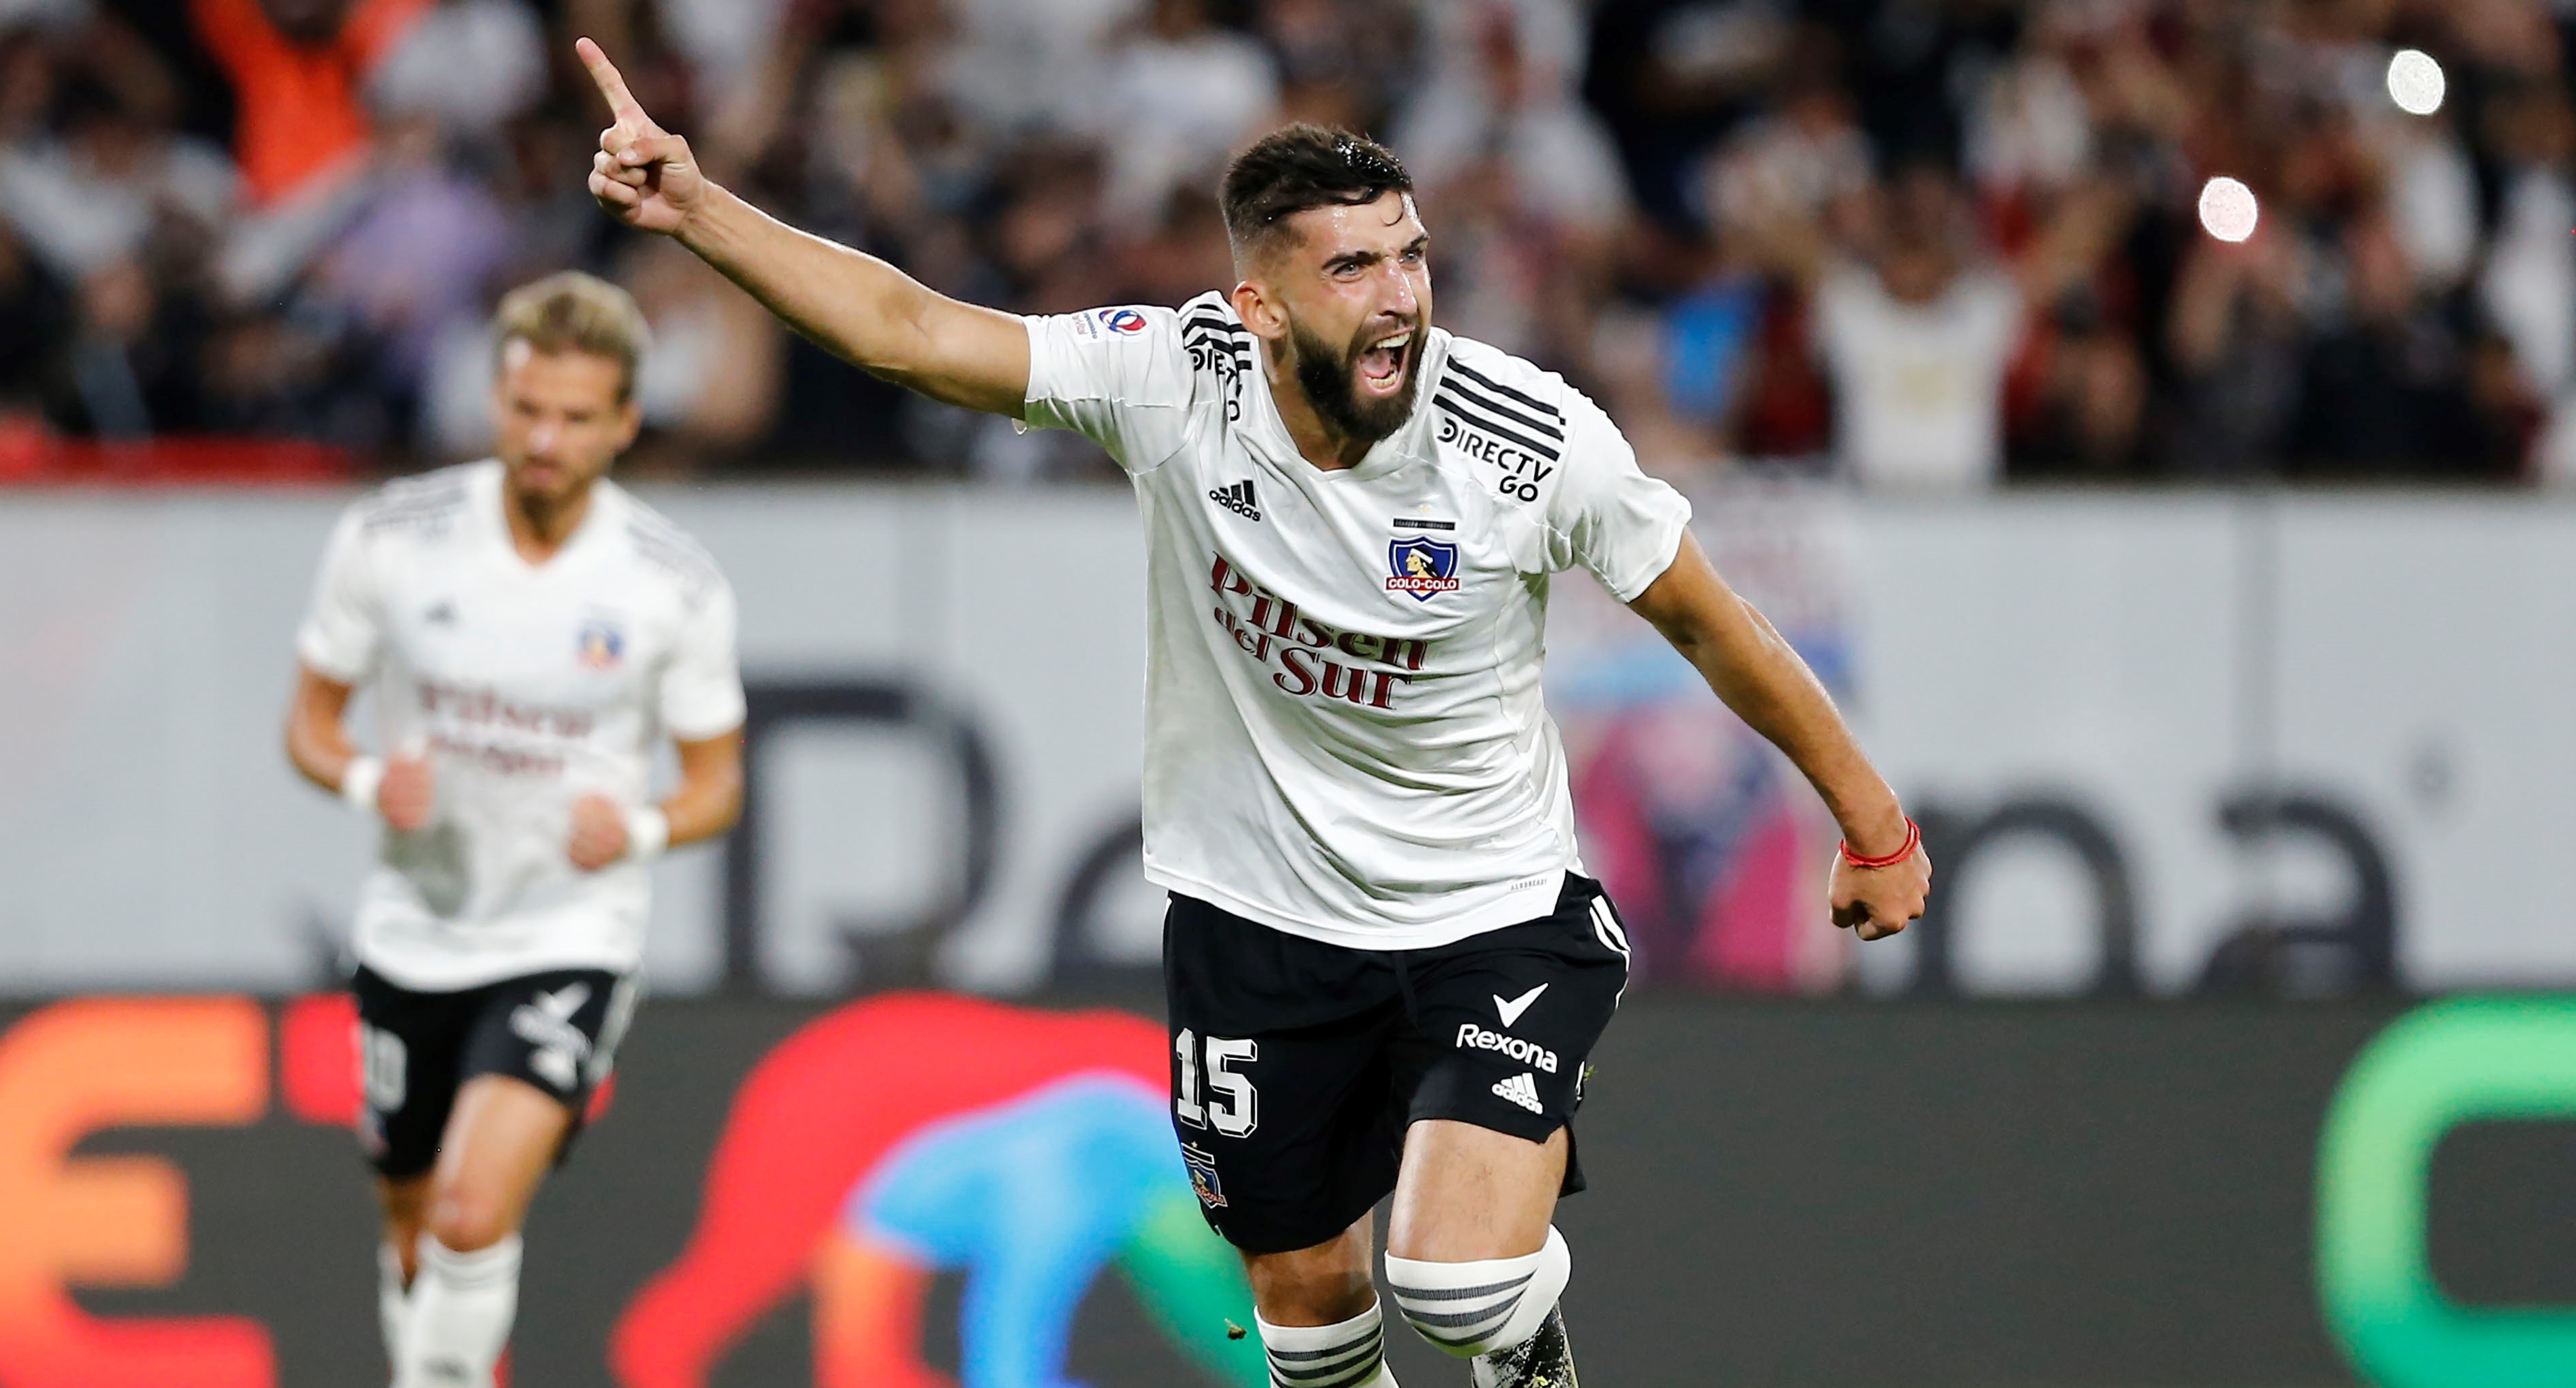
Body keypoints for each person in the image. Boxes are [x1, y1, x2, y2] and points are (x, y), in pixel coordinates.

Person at [577, 38, 1928, 1388]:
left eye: (1408, 254)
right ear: (1259, 305)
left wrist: (1869, 820)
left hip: (1490, 912)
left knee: (1455, 1285)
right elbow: (916, 333)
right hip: (1257, 927)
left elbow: (1706, 617)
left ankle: (1527, 1337)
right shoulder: (1175, 381)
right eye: (1350, 267)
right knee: (1309, 1327)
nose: (1397, 295)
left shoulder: (1528, 440)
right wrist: (699, 209)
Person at [281, 270, 746, 1388]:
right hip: (414, 927)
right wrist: (362, 784)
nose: (546, 438)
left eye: (577, 417)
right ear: (496, 400)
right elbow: (309, 724)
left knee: (472, 1203)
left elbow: (716, 786)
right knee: (410, 1219)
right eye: (527, 409)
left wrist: (635, 830)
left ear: (625, 422)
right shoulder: (393, 539)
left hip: (567, 932)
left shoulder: (670, 585)